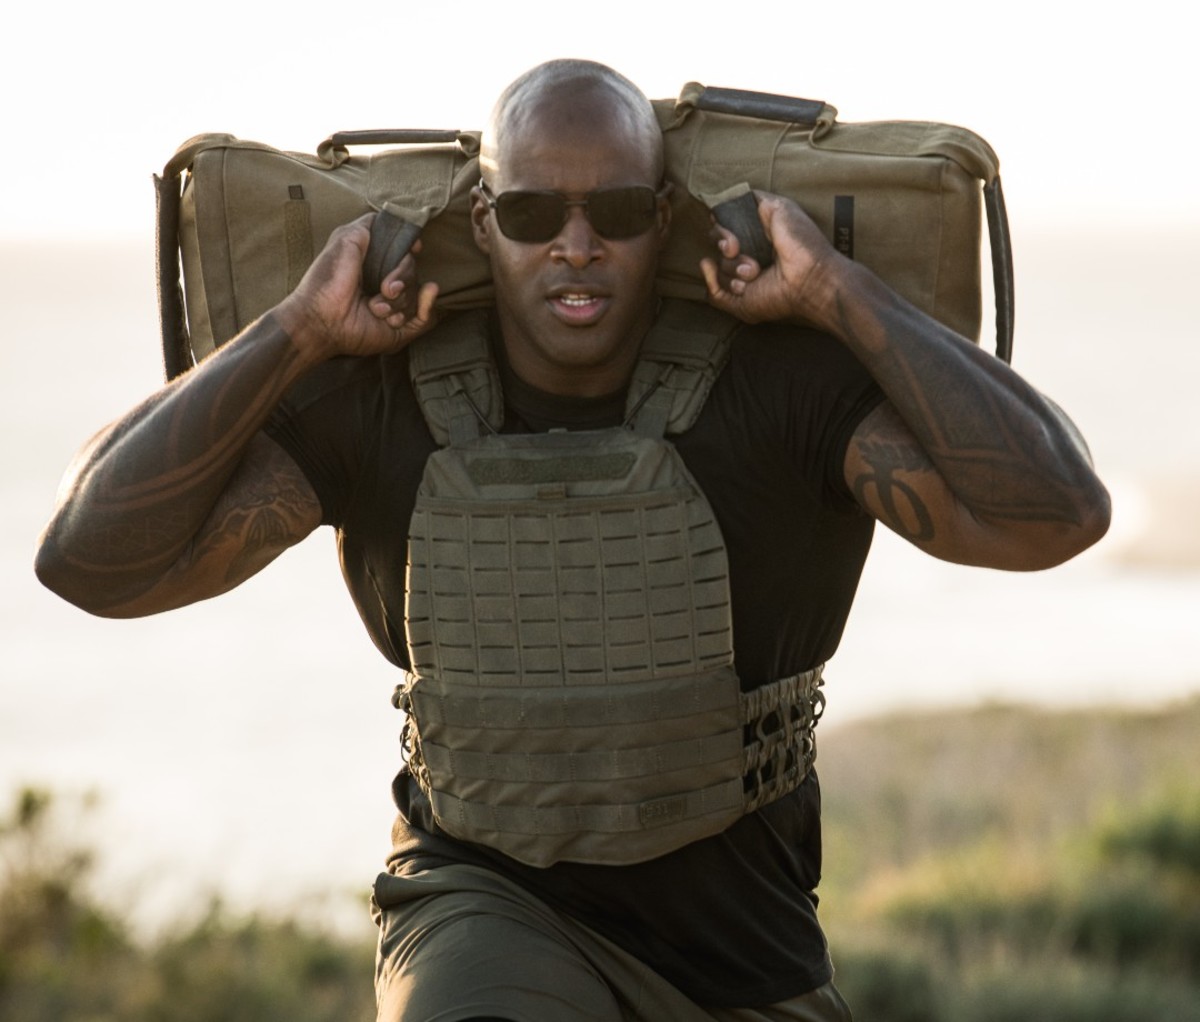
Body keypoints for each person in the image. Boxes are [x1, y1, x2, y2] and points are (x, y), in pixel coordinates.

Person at [35, 59, 1110, 1021]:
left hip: (743, 950)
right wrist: (296, 334)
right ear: (481, 215)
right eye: (537, 209)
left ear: (671, 215)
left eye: (622, 210)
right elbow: (88, 558)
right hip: (481, 906)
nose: (578, 245)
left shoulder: (781, 384)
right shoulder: (380, 397)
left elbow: (1060, 511)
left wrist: (839, 291)